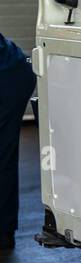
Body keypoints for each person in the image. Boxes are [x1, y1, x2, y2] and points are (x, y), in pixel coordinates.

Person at [1, 33, 37, 250]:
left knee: (3, 155)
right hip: (13, 69)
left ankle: (4, 231)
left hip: (10, 74)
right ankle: (4, 232)